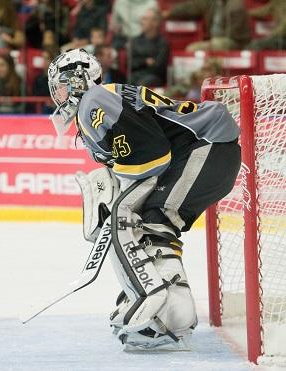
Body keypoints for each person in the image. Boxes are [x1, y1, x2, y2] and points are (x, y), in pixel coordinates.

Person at [47, 48, 240, 350]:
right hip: (204, 150)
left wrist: (122, 202)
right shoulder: (97, 102)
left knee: (152, 221)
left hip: (209, 147)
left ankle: (169, 316)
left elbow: (152, 155)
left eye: (60, 85)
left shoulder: (94, 101)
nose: (57, 95)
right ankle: (165, 306)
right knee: (149, 222)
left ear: (78, 80)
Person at [162, 0, 250, 52]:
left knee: (194, 49)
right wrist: (171, 12)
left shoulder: (235, 4)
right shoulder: (211, 2)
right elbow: (191, 7)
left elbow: (235, 35)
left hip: (234, 41)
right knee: (195, 49)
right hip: (213, 40)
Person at [128, 8, 169, 86]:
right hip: (135, 75)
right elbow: (130, 64)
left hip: (154, 77)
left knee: (143, 84)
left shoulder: (162, 43)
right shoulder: (135, 41)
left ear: (155, 23)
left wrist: (139, 63)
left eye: (145, 19)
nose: (142, 22)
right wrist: (145, 62)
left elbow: (158, 67)